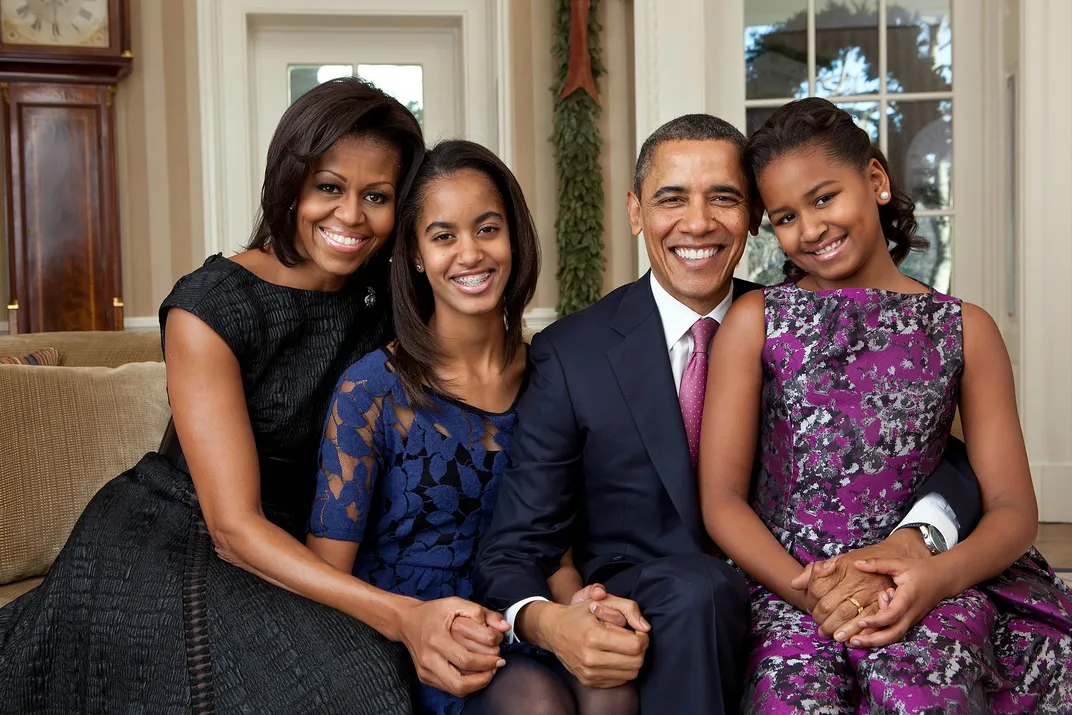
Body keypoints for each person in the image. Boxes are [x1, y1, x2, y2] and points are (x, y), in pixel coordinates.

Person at [473, 113, 987, 715]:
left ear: (751, 218)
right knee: (700, 588)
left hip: (804, 581)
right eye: (672, 199)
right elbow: (514, 547)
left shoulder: (801, 319)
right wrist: (551, 621)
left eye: (724, 198)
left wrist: (921, 534)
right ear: (637, 211)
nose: (698, 222)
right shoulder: (572, 353)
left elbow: (930, 449)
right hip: (661, 600)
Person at [0, 78, 426, 714]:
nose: (351, 216)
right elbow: (233, 526)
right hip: (175, 538)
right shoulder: (212, 306)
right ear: (290, 183)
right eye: (329, 187)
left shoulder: (385, 299)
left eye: (378, 196)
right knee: (357, 684)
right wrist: (400, 616)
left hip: (300, 539)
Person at [700, 97, 1072, 713]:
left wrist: (933, 580)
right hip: (792, 584)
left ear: (875, 180)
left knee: (922, 687)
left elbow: (1013, 509)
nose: (811, 229)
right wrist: (815, 593)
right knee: (793, 694)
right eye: (786, 216)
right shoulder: (756, 321)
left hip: (929, 582)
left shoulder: (965, 329)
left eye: (824, 198)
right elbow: (721, 500)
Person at [306, 139, 638, 715]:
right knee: (536, 702)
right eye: (443, 236)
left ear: (514, 237)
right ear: (414, 253)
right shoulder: (372, 390)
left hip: (522, 614)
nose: (470, 254)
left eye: (487, 229)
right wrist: (409, 626)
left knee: (611, 691)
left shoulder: (553, 375)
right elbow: (326, 575)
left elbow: (553, 549)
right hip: (418, 638)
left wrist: (582, 606)